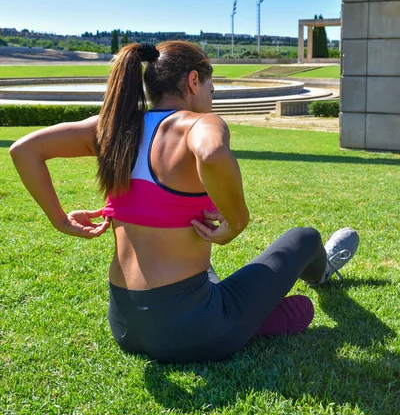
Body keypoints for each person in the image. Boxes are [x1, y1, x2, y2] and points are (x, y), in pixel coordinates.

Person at [10, 41, 359, 364]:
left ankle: (256, 317)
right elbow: (211, 151)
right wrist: (237, 223)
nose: (211, 95)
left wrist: (59, 220)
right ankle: (321, 273)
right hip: (194, 332)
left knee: (206, 276)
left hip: (124, 327)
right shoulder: (198, 124)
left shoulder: (113, 127)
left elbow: (24, 150)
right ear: (193, 80)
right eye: (211, 86)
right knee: (304, 238)